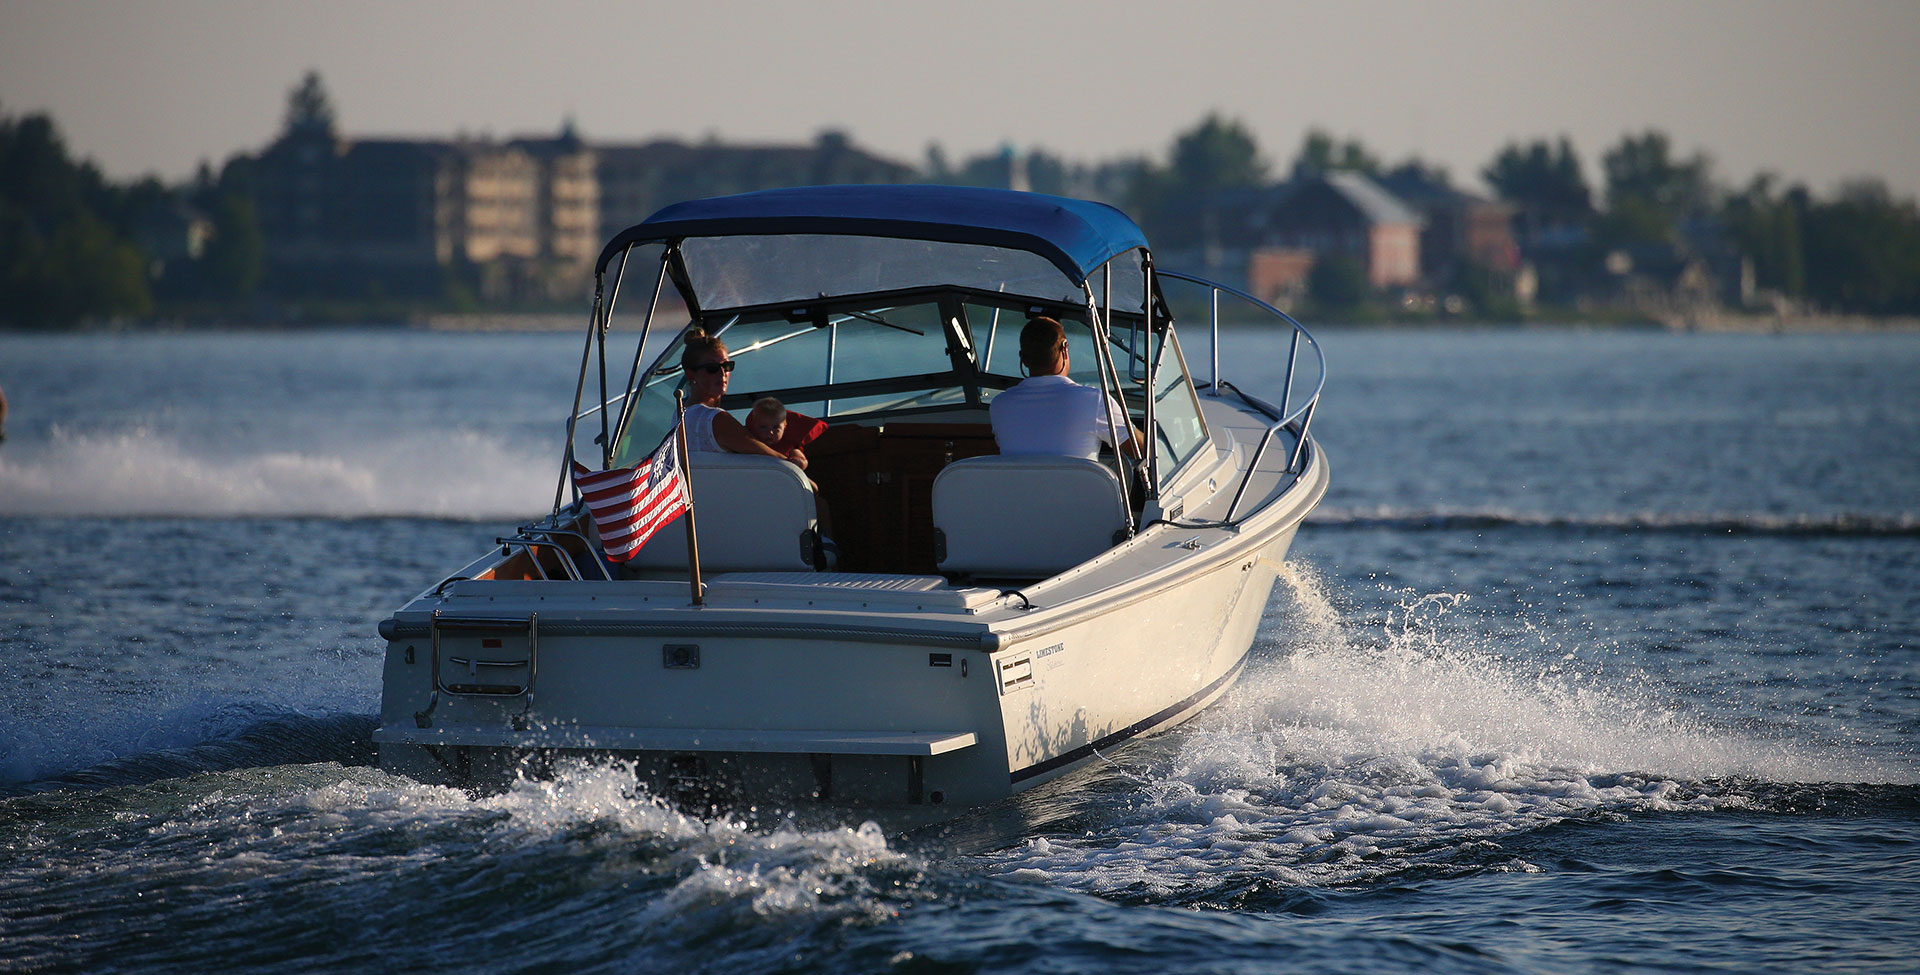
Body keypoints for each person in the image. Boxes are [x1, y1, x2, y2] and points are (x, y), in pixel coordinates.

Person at [989, 317, 1142, 461]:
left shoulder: (1000, 405)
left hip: (1019, 490)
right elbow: (1142, 452)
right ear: (1065, 348)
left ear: (1023, 358)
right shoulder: (1095, 401)